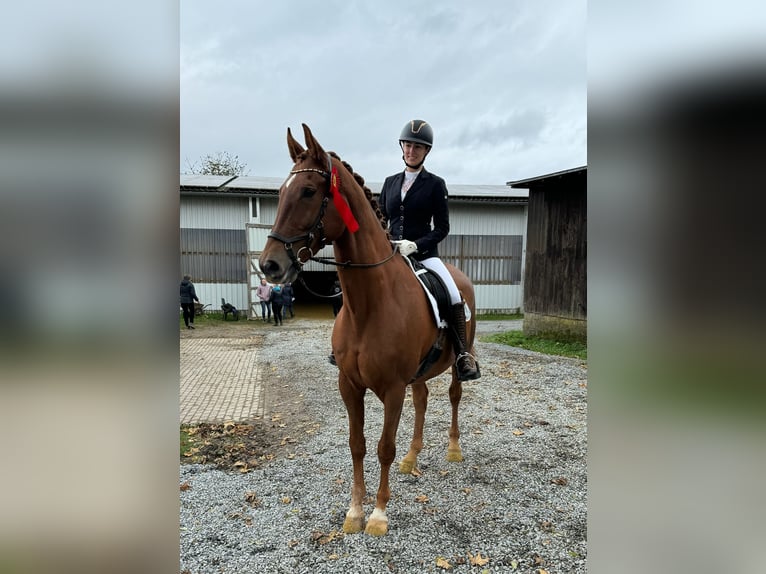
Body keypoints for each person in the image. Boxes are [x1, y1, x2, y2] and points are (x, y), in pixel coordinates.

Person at [378, 119, 479, 381]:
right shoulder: (389, 183)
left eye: (418, 147)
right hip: (391, 255)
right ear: (402, 147)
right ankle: (343, 345)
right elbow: (381, 220)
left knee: (454, 296)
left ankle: (462, 355)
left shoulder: (435, 184)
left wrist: (416, 245)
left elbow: (442, 228)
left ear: (427, 151)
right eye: (408, 145)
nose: (411, 151)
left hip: (424, 255)